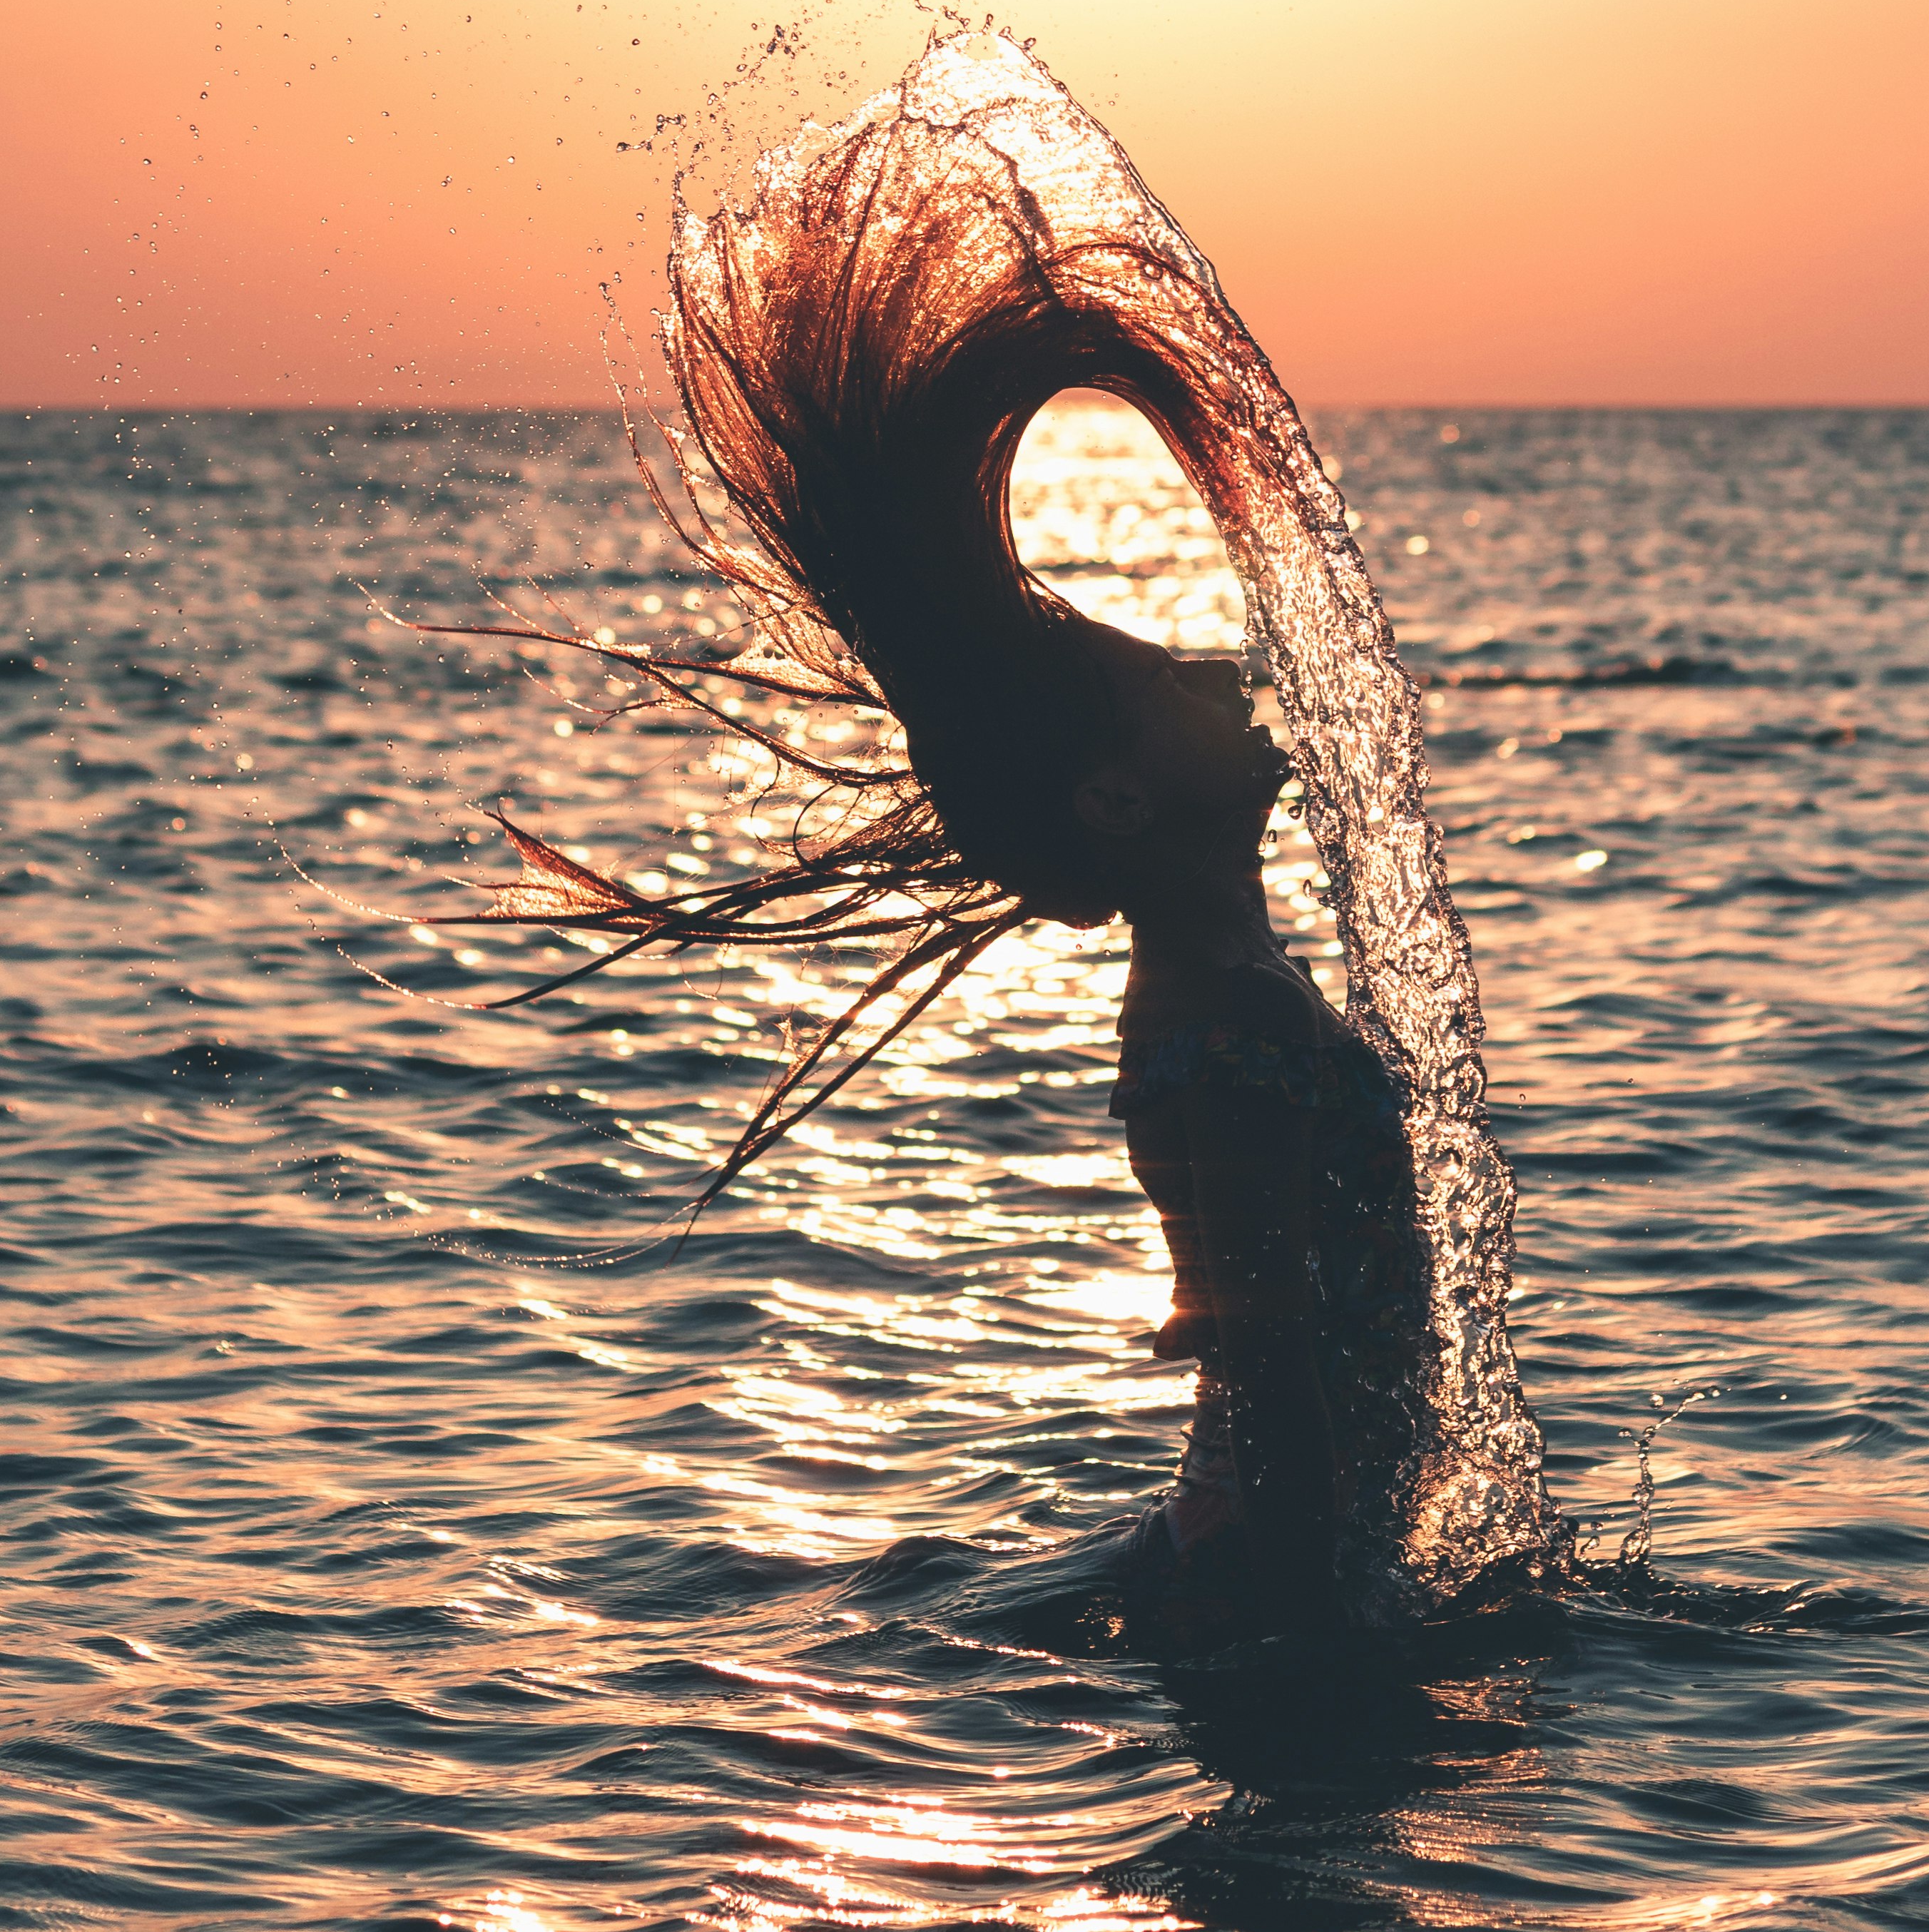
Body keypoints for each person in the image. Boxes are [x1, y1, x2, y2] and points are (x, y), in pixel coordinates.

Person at [464, 80, 1432, 1643]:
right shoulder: (1221, 1035)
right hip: (1263, 1593)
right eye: (1163, 680)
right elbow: (1269, 1379)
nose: (1212, 672)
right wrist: (1338, 1653)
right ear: (1118, 801)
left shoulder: (1228, 989)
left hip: (1251, 1569)